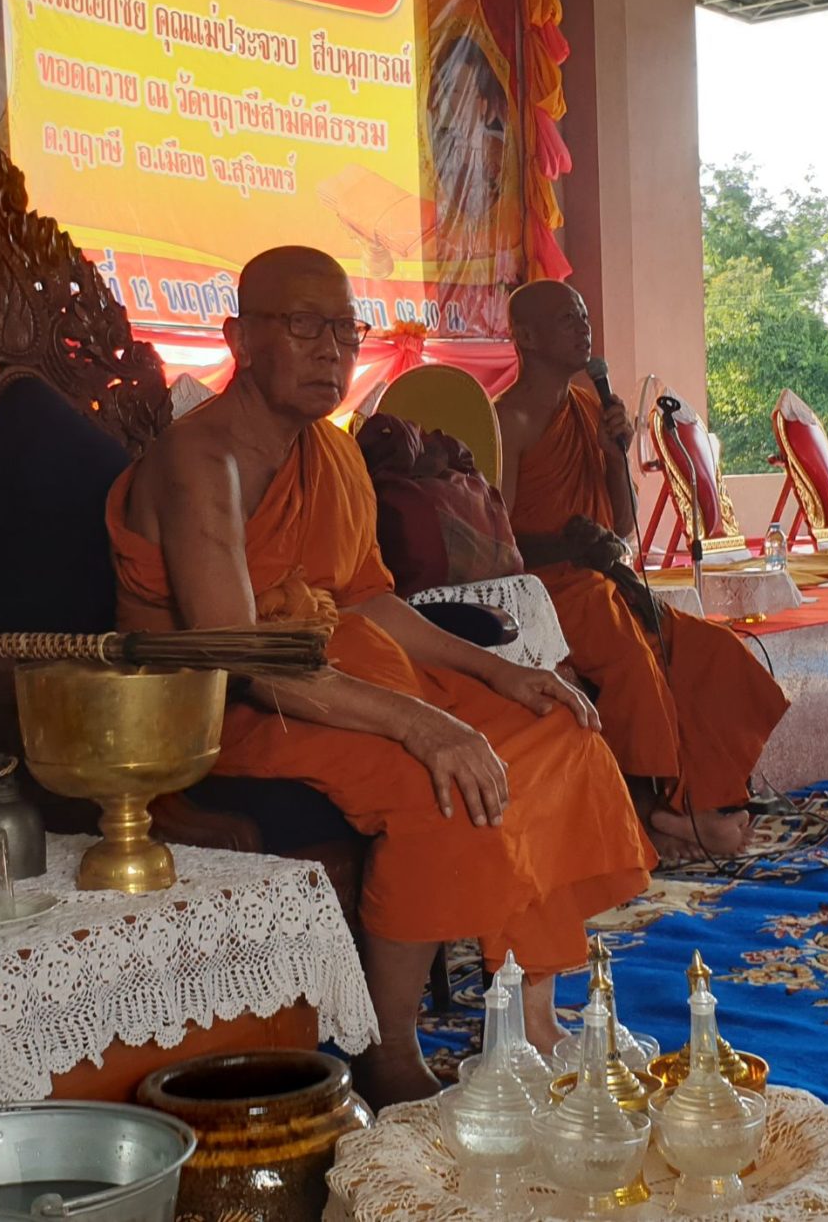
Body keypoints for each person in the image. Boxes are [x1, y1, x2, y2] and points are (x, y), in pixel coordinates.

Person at [106, 246, 656, 1105]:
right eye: (303, 326)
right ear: (239, 339)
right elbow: (241, 656)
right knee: (436, 782)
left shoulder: (331, 455)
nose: (331, 349)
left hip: (346, 681)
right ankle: (390, 1049)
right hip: (230, 711)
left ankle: (530, 1017)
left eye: (344, 329)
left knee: (557, 728)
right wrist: (423, 725)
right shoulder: (200, 459)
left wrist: (499, 675)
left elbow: (369, 599)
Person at [494, 280, 790, 859]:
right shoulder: (509, 419)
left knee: (709, 648)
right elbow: (497, 539)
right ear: (525, 336)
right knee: (631, 661)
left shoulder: (590, 410)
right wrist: (571, 544)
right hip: (547, 586)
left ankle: (703, 798)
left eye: (584, 316)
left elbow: (624, 525)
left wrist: (616, 456)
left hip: (601, 578)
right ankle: (652, 815)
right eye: (567, 318)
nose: (584, 328)